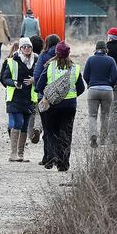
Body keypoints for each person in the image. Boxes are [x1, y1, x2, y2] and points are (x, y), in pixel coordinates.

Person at [35, 41, 85, 171]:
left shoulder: (50, 66)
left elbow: (39, 86)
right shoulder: (75, 68)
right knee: (66, 133)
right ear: (68, 54)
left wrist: (51, 95)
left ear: (56, 53)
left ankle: (51, 157)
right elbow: (81, 88)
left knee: (51, 131)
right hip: (69, 106)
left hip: (52, 105)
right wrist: (70, 97)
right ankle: (63, 164)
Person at [1, 37, 37, 162]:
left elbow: (43, 77)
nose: (27, 49)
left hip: (29, 98)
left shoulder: (36, 60)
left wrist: (34, 80)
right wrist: (14, 82)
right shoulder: (12, 61)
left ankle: (20, 154)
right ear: (20, 48)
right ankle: (13, 153)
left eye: (29, 47)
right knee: (18, 123)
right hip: (15, 97)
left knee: (25, 126)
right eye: (24, 47)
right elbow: (5, 78)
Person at [32, 34, 61, 166]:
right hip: (62, 98)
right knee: (59, 129)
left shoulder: (43, 56)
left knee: (48, 129)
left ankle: (47, 157)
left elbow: (37, 76)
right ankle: (60, 156)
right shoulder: (64, 56)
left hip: (45, 98)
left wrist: (40, 91)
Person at [83, 40, 117, 147]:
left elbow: (85, 75)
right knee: (105, 115)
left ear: (96, 49)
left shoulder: (90, 59)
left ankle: (93, 135)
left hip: (93, 90)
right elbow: (115, 77)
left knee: (92, 116)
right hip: (107, 91)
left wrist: (91, 84)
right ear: (105, 49)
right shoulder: (111, 60)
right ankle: (102, 141)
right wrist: (109, 85)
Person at [27, 35, 45, 144]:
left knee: (30, 113)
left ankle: (30, 134)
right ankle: (38, 128)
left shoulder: (28, 58)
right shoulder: (43, 58)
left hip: (29, 91)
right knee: (40, 113)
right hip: (40, 91)